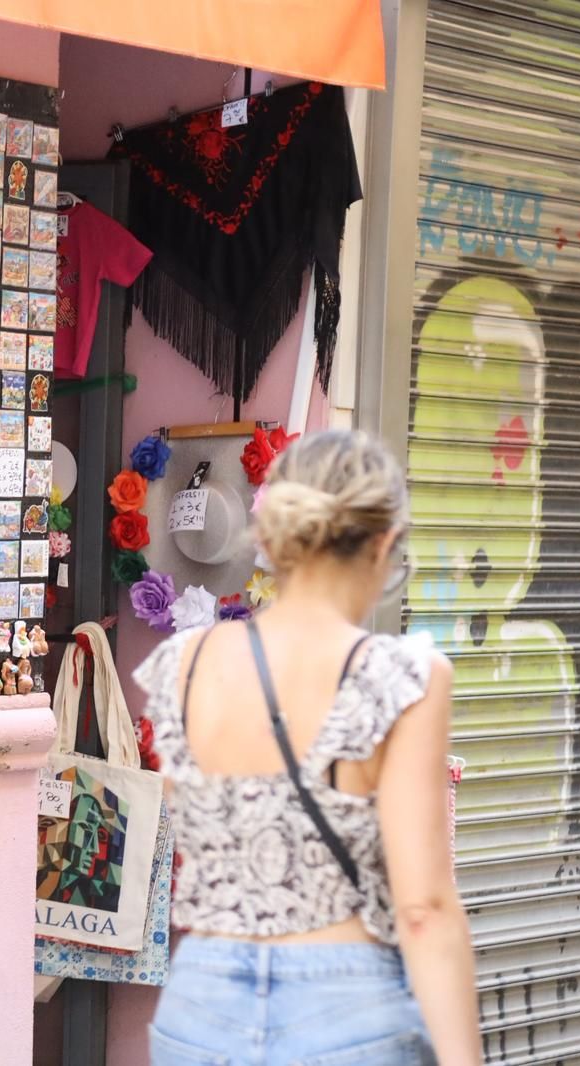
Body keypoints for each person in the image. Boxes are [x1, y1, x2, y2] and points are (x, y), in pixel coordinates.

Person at [137, 430, 480, 1065]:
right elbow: (424, 908)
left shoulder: (186, 663)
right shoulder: (402, 677)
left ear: (270, 541)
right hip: (343, 1006)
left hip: (200, 1005)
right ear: (384, 545)